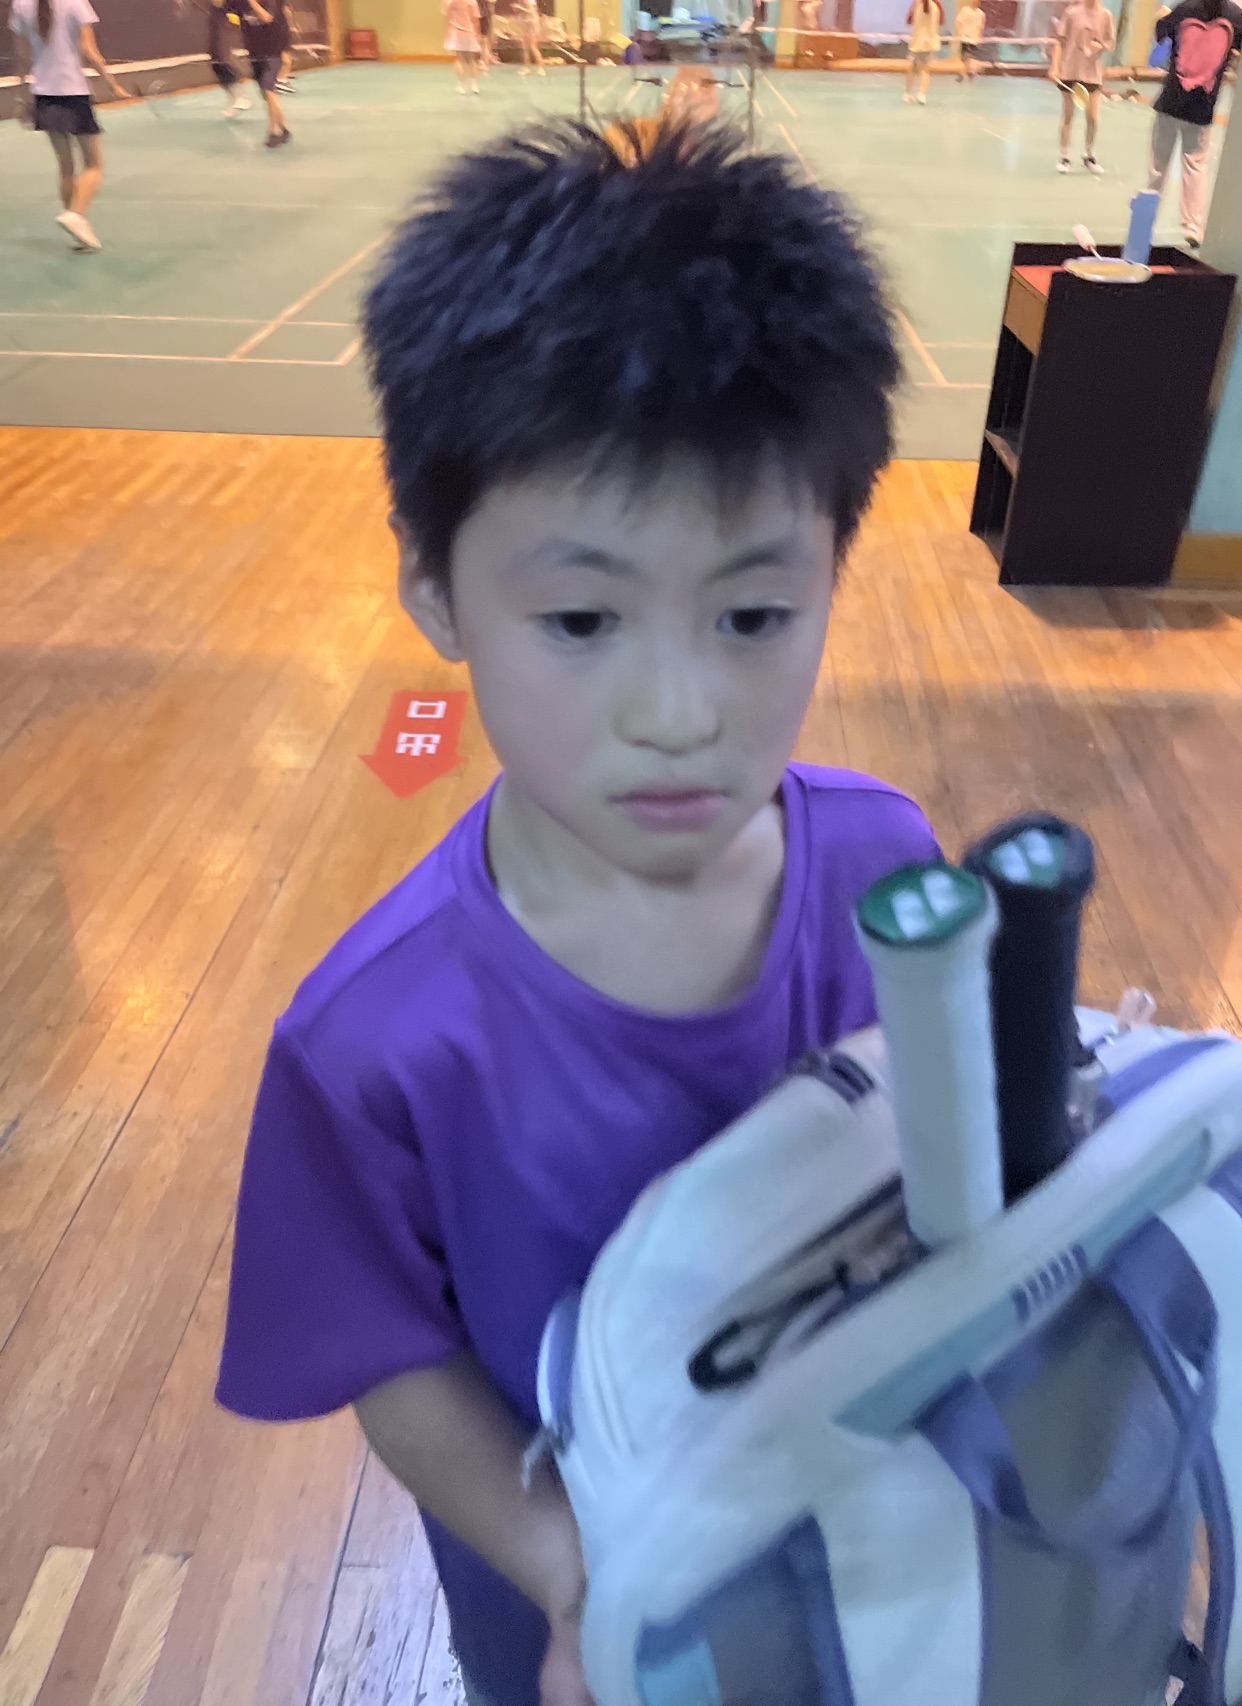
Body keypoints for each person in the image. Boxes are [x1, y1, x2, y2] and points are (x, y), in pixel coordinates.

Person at [216, 118, 938, 1706]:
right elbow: (389, 1351)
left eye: (752, 612)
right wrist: (568, 1565)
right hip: (584, 1598)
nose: (677, 711)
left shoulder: (887, 871)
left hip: (875, 1533)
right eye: (581, 618)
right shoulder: (373, 1038)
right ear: (433, 585)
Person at [8, 0, 127, 251]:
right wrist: (112, 84)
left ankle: (76, 231)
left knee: (66, 168)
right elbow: (89, 50)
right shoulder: (75, 2)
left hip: (43, 96)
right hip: (74, 95)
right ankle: (75, 216)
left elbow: (22, 55)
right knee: (93, 164)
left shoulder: (20, 4)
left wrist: (22, 96)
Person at [1147, 0, 1242, 248]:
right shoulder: (1237, 18)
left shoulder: (1184, 9)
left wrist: (1162, 20)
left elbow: (1161, 33)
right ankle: (1193, 227)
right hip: (1202, 107)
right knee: (1195, 168)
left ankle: (1145, 219)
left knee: (1158, 167)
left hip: (1171, 101)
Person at [1050, 0, 1114, 174]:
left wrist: (1099, 46)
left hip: (1092, 73)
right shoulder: (1071, 13)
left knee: (1093, 117)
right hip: (1070, 71)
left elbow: (1109, 42)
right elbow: (1059, 42)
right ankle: (1064, 157)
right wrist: (1055, 66)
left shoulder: (1106, 16)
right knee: (1068, 116)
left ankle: (1089, 155)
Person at [239, 0, 291, 146]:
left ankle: (272, 132)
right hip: (255, 54)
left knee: (268, 89)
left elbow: (266, 17)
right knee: (266, 94)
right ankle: (284, 128)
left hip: (273, 52)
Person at [205, 0, 252, 116]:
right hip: (215, 24)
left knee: (223, 58)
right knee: (216, 65)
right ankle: (235, 100)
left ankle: (240, 97)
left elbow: (220, 3)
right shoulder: (213, 9)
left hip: (225, 23)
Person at [904, 0, 943, 102]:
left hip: (917, 42)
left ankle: (907, 93)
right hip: (929, 43)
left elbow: (909, 21)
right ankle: (921, 94)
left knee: (913, 68)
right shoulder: (936, 6)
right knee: (924, 69)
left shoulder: (917, 6)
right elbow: (941, 21)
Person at [445, 0, 483, 92]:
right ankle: (474, 84)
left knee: (460, 59)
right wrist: (477, 34)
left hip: (456, 32)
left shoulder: (450, 1)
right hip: (470, 33)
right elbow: (476, 20)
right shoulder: (472, 2)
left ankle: (460, 85)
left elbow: (448, 17)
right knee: (472, 59)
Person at [956, 0, 984, 78]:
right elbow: (958, 21)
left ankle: (969, 72)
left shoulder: (981, 14)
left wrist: (979, 37)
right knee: (964, 56)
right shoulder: (965, 10)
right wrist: (960, 33)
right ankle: (963, 72)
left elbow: (981, 27)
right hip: (965, 38)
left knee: (972, 57)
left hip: (975, 39)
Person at [516, 0, 546, 74]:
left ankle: (541, 68)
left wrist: (519, 7)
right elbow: (522, 12)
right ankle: (527, 67)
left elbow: (530, 11)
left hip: (532, 25)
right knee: (525, 47)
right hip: (525, 24)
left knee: (533, 46)